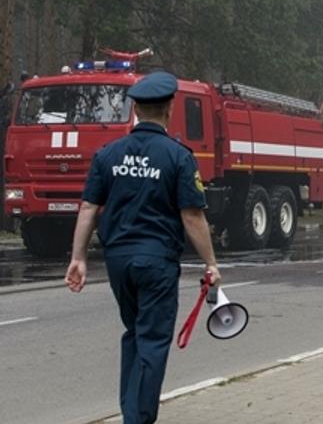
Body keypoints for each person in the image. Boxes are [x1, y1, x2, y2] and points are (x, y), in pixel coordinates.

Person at [64, 71, 221, 424]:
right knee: (152, 340)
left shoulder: (108, 155)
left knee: (134, 334)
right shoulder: (179, 156)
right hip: (156, 263)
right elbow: (192, 215)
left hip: (118, 262)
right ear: (170, 108)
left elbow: (89, 208)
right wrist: (211, 262)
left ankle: (130, 412)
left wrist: (78, 259)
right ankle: (138, 419)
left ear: (134, 108)